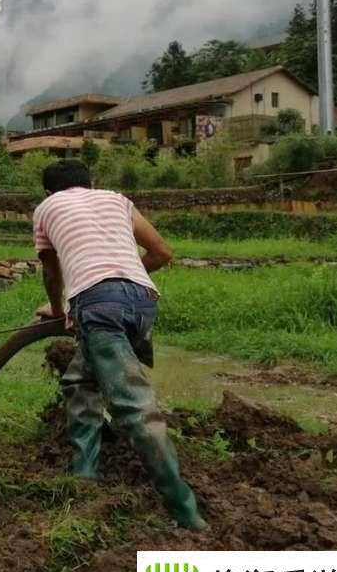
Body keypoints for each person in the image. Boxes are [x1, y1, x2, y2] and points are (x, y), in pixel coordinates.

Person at [32, 159, 207, 530]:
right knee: (81, 380)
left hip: (97, 305)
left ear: (48, 192)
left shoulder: (46, 209)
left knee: (134, 407)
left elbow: (51, 270)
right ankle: (85, 473)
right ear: (91, 183)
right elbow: (162, 252)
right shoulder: (116, 199)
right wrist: (124, 282)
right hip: (143, 300)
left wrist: (58, 305)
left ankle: (186, 511)